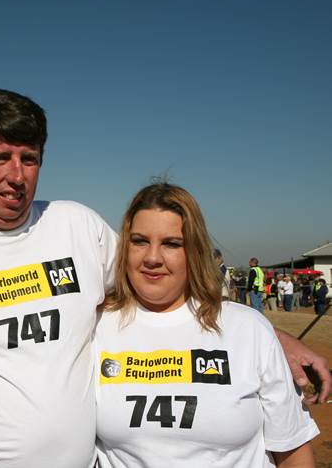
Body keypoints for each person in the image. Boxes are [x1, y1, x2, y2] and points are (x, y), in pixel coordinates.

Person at [0, 88, 330, 468]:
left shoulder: (76, 225)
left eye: (29, 159)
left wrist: (273, 338)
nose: (16, 175)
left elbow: (163, 279)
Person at [94, 183, 318, 466]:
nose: (152, 258)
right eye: (139, 241)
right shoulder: (96, 328)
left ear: (195, 251)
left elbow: (293, 451)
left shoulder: (248, 329)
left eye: (171, 244)